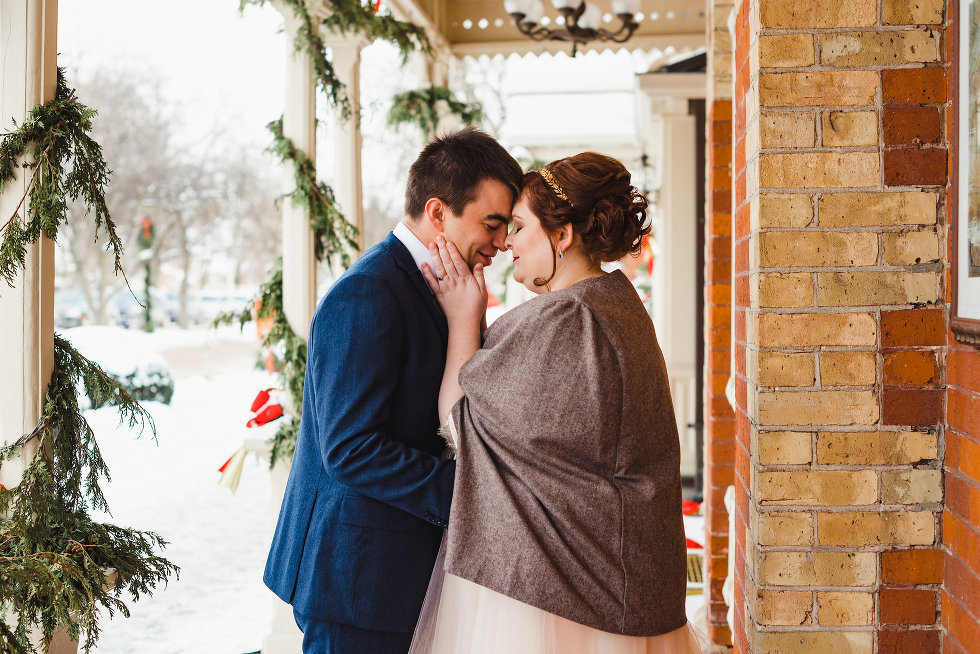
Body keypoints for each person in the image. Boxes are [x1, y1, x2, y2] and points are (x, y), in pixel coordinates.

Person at [411, 152, 710, 654]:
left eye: (520, 226)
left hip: (558, 595)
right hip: (621, 576)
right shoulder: (618, 304)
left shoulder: (566, 319)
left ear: (563, 235)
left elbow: (460, 424)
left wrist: (466, 314)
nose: (506, 241)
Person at [263, 128, 525, 654]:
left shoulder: (445, 290)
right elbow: (351, 449)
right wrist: (469, 496)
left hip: (396, 572)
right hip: (356, 578)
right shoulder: (368, 292)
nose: (500, 244)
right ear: (438, 212)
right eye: (491, 224)